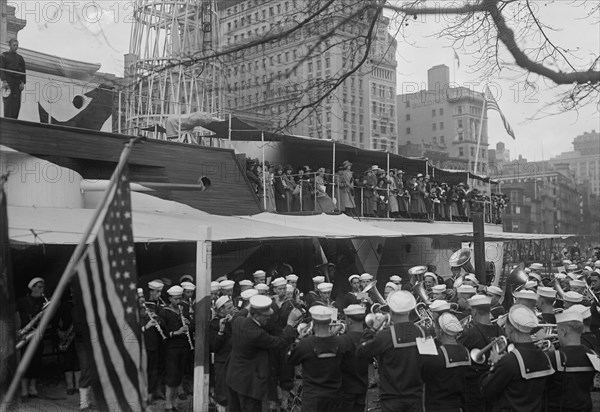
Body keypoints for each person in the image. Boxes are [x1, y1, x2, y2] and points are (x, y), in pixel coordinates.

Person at [226, 295, 302, 412]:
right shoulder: (256, 334)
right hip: (249, 386)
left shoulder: (239, 321)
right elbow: (281, 342)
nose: (269, 318)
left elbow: (238, 314)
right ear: (256, 315)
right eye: (266, 316)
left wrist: (251, 305)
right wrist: (290, 324)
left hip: (234, 378)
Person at [357, 290, 424, 412]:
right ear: (410, 310)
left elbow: (361, 351)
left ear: (391, 310)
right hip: (416, 395)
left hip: (391, 397)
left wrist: (373, 329)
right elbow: (428, 362)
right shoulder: (423, 331)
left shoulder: (384, 336)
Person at [480, 305, 555, 412]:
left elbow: (487, 391)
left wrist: (495, 364)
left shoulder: (510, 361)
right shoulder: (545, 357)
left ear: (510, 329)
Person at [287, 305, 351, 411]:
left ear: (313, 322)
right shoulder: (342, 342)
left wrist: (299, 339)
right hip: (334, 396)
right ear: (329, 321)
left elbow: (290, 359)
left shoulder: (305, 344)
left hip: (313, 398)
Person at [457, 295, 503, 412]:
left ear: (474, 311)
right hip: (494, 383)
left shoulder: (470, 333)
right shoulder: (500, 330)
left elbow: (458, 353)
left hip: (473, 386)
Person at [545, 309, 597, 412]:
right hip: (585, 407)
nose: (557, 335)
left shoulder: (555, 357)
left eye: (558, 331)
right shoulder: (592, 354)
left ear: (564, 332)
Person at [421, 312, 471, 412]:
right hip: (458, 406)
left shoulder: (438, 355)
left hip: (437, 406)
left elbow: (422, 375)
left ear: (440, 331)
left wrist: (425, 340)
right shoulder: (465, 351)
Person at [158, 285, 194, 411]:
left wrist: (188, 324)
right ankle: (168, 405)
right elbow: (162, 332)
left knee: (179, 376)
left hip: (183, 346)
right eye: (175, 299)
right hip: (171, 348)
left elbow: (191, 325)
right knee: (171, 377)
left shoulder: (183, 309)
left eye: (179, 298)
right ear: (169, 298)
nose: (178, 302)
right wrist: (177, 332)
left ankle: (174, 404)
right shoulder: (164, 312)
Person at [16, 277, 48, 398]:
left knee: (37, 361)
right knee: (25, 361)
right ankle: (24, 389)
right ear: (33, 287)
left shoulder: (43, 302)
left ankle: (32, 388)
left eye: (42, 287)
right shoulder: (22, 301)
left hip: (38, 334)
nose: (42, 290)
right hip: (25, 335)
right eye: (39, 287)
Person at [337, 305, 370, 412]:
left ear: (349, 320)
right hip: (362, 387)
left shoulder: (343, 340)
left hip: (345, 389)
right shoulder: (369, 338)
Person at [209, 296, 235, 412]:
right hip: (222, 360)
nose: (232, 309)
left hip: (234, 359)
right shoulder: (214, 324)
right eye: (229, 308)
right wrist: (221, 330)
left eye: (232, 306)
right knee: (222, 391)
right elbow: (214, 346)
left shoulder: (233, 320)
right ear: (221, 310)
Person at [0, 38, 26, 119]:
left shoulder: (20, 58)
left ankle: (15, 120)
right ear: (10, 45)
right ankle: (7, 121)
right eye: (14, 45)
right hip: (8, 81)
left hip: (17, 83)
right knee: (8, 101)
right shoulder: (4, 55)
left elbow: (23, 71)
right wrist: (4, 81)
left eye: (17, 45)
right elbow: (2, 69)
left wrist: (23, 82)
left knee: (16, 103)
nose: (15, 47)